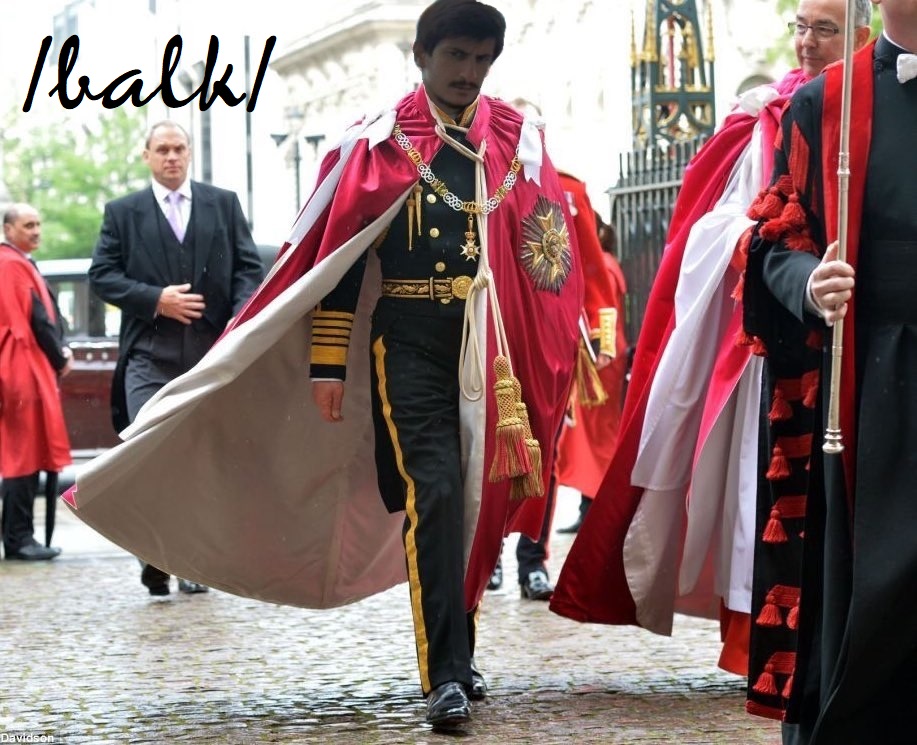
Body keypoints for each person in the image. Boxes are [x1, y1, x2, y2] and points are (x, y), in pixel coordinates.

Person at [63, 0, 582, 733]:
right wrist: (328, 365)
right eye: (455, 57)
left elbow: (544, 251)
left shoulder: (515, 140)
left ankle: (460, 648)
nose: (468, 73)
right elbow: (338, 257)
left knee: (474, 498)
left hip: (487, 348)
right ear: (421, 57)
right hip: (407, 341)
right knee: (434, 491)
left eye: (480, 60)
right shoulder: (377, 142)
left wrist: (548, 350)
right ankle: (445, 674)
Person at [550, 0, 871, 677]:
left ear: (861, 35)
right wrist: (770, 247)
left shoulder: (880, 104)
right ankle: (772, 643)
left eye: (825, 29)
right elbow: (715, 226)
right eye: (801, 27)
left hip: (874, 328)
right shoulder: (764, 119)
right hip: (781, 334)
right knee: (775, 491)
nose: (808, 43)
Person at [742, 1, 915, 741]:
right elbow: (774, 243)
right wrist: (810, 283)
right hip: (869, 374)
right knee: (878, 573)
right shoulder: (825, 102)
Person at [88, 120, 264, 596]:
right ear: (146, 155)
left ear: (189, 153)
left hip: (210, 356)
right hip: (149, 355)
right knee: (149, 454)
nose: (171, 156)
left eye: (179, 148)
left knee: (198, 459)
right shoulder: (122, 212)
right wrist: (155, 299)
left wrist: (239, 320)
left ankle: (188, 561)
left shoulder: (223, 204)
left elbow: (248, 269)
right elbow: (102, 275)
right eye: (162, 149)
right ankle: (152, 552)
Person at [0, 203, 72, 561]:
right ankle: (19, 539)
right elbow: (39, 319)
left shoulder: (14, 263)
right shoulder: (12, 264)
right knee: (23, 456)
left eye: (38, 224)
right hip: (22, 370)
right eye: (28, 225)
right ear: (8, 229)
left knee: (23, 454)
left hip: (20, 367)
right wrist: (61, 355)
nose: (36, 231)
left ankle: (19, 536)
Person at [554, 210, 628, 534]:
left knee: (599, 439)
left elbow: (602, 313)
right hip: (598, 358)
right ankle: (591, 508)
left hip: (600, 360)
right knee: (591, 439)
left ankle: (600, 509)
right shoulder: (607, 264)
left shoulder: (605, 266)